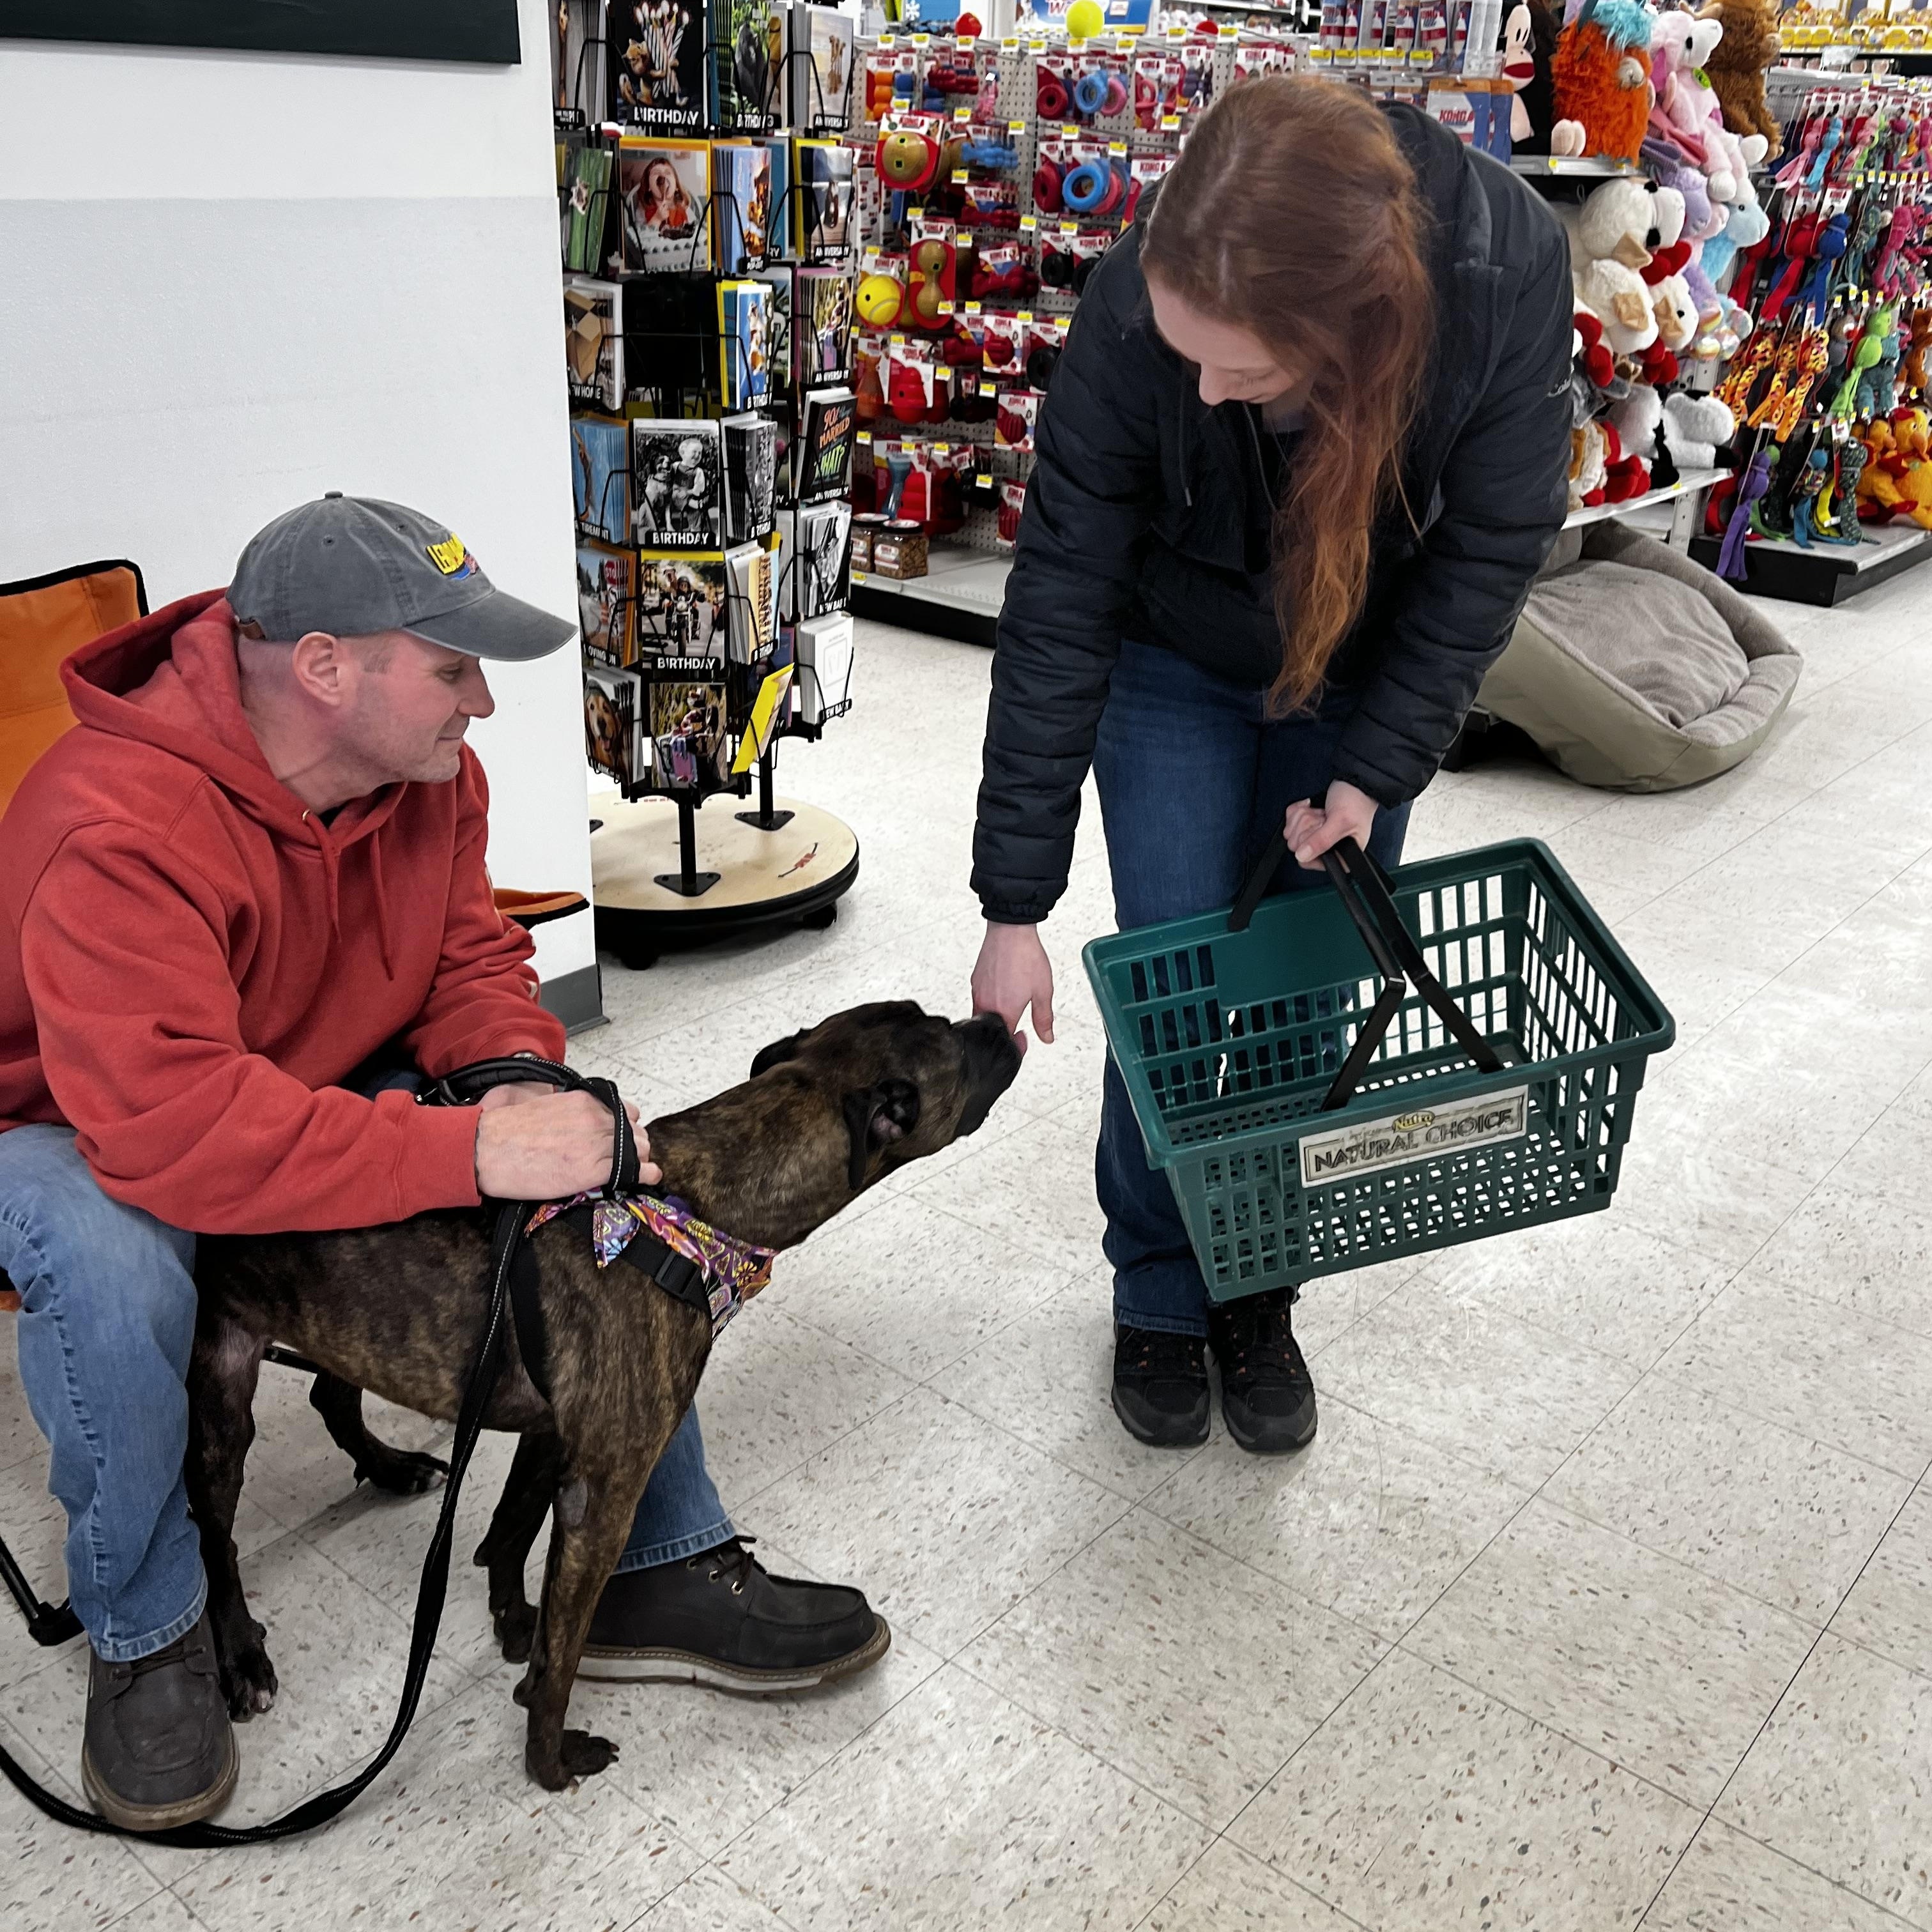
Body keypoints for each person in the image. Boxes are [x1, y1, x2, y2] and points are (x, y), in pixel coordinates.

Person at [0, 495, 885, 1833]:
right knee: (118, 1268)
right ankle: (150, 1627)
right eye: (452, 666)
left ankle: (656, 1550)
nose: (480, 702)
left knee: (593, 1175)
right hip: (72, 1113)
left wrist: (533, 1093)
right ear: (322, 667)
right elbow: (172, 1129)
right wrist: (467, 1143)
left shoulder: (421, 775)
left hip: (295, 1065)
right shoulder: (114, 826)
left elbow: (467, 960)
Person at [969, 79, 1573, 1455]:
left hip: (1361, 670)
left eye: (1240, 372)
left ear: (1347, 338)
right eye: (1186, 355)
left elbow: (1489, 555)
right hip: (1170, 657)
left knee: (1307, 988)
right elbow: (1061, 592)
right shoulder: (1147, 299)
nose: (1204, 391)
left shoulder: (1504, 272)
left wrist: (1373, 773)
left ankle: (1262, 1284)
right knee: (1171, 980)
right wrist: (1014, 906)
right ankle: (1163, 1287)